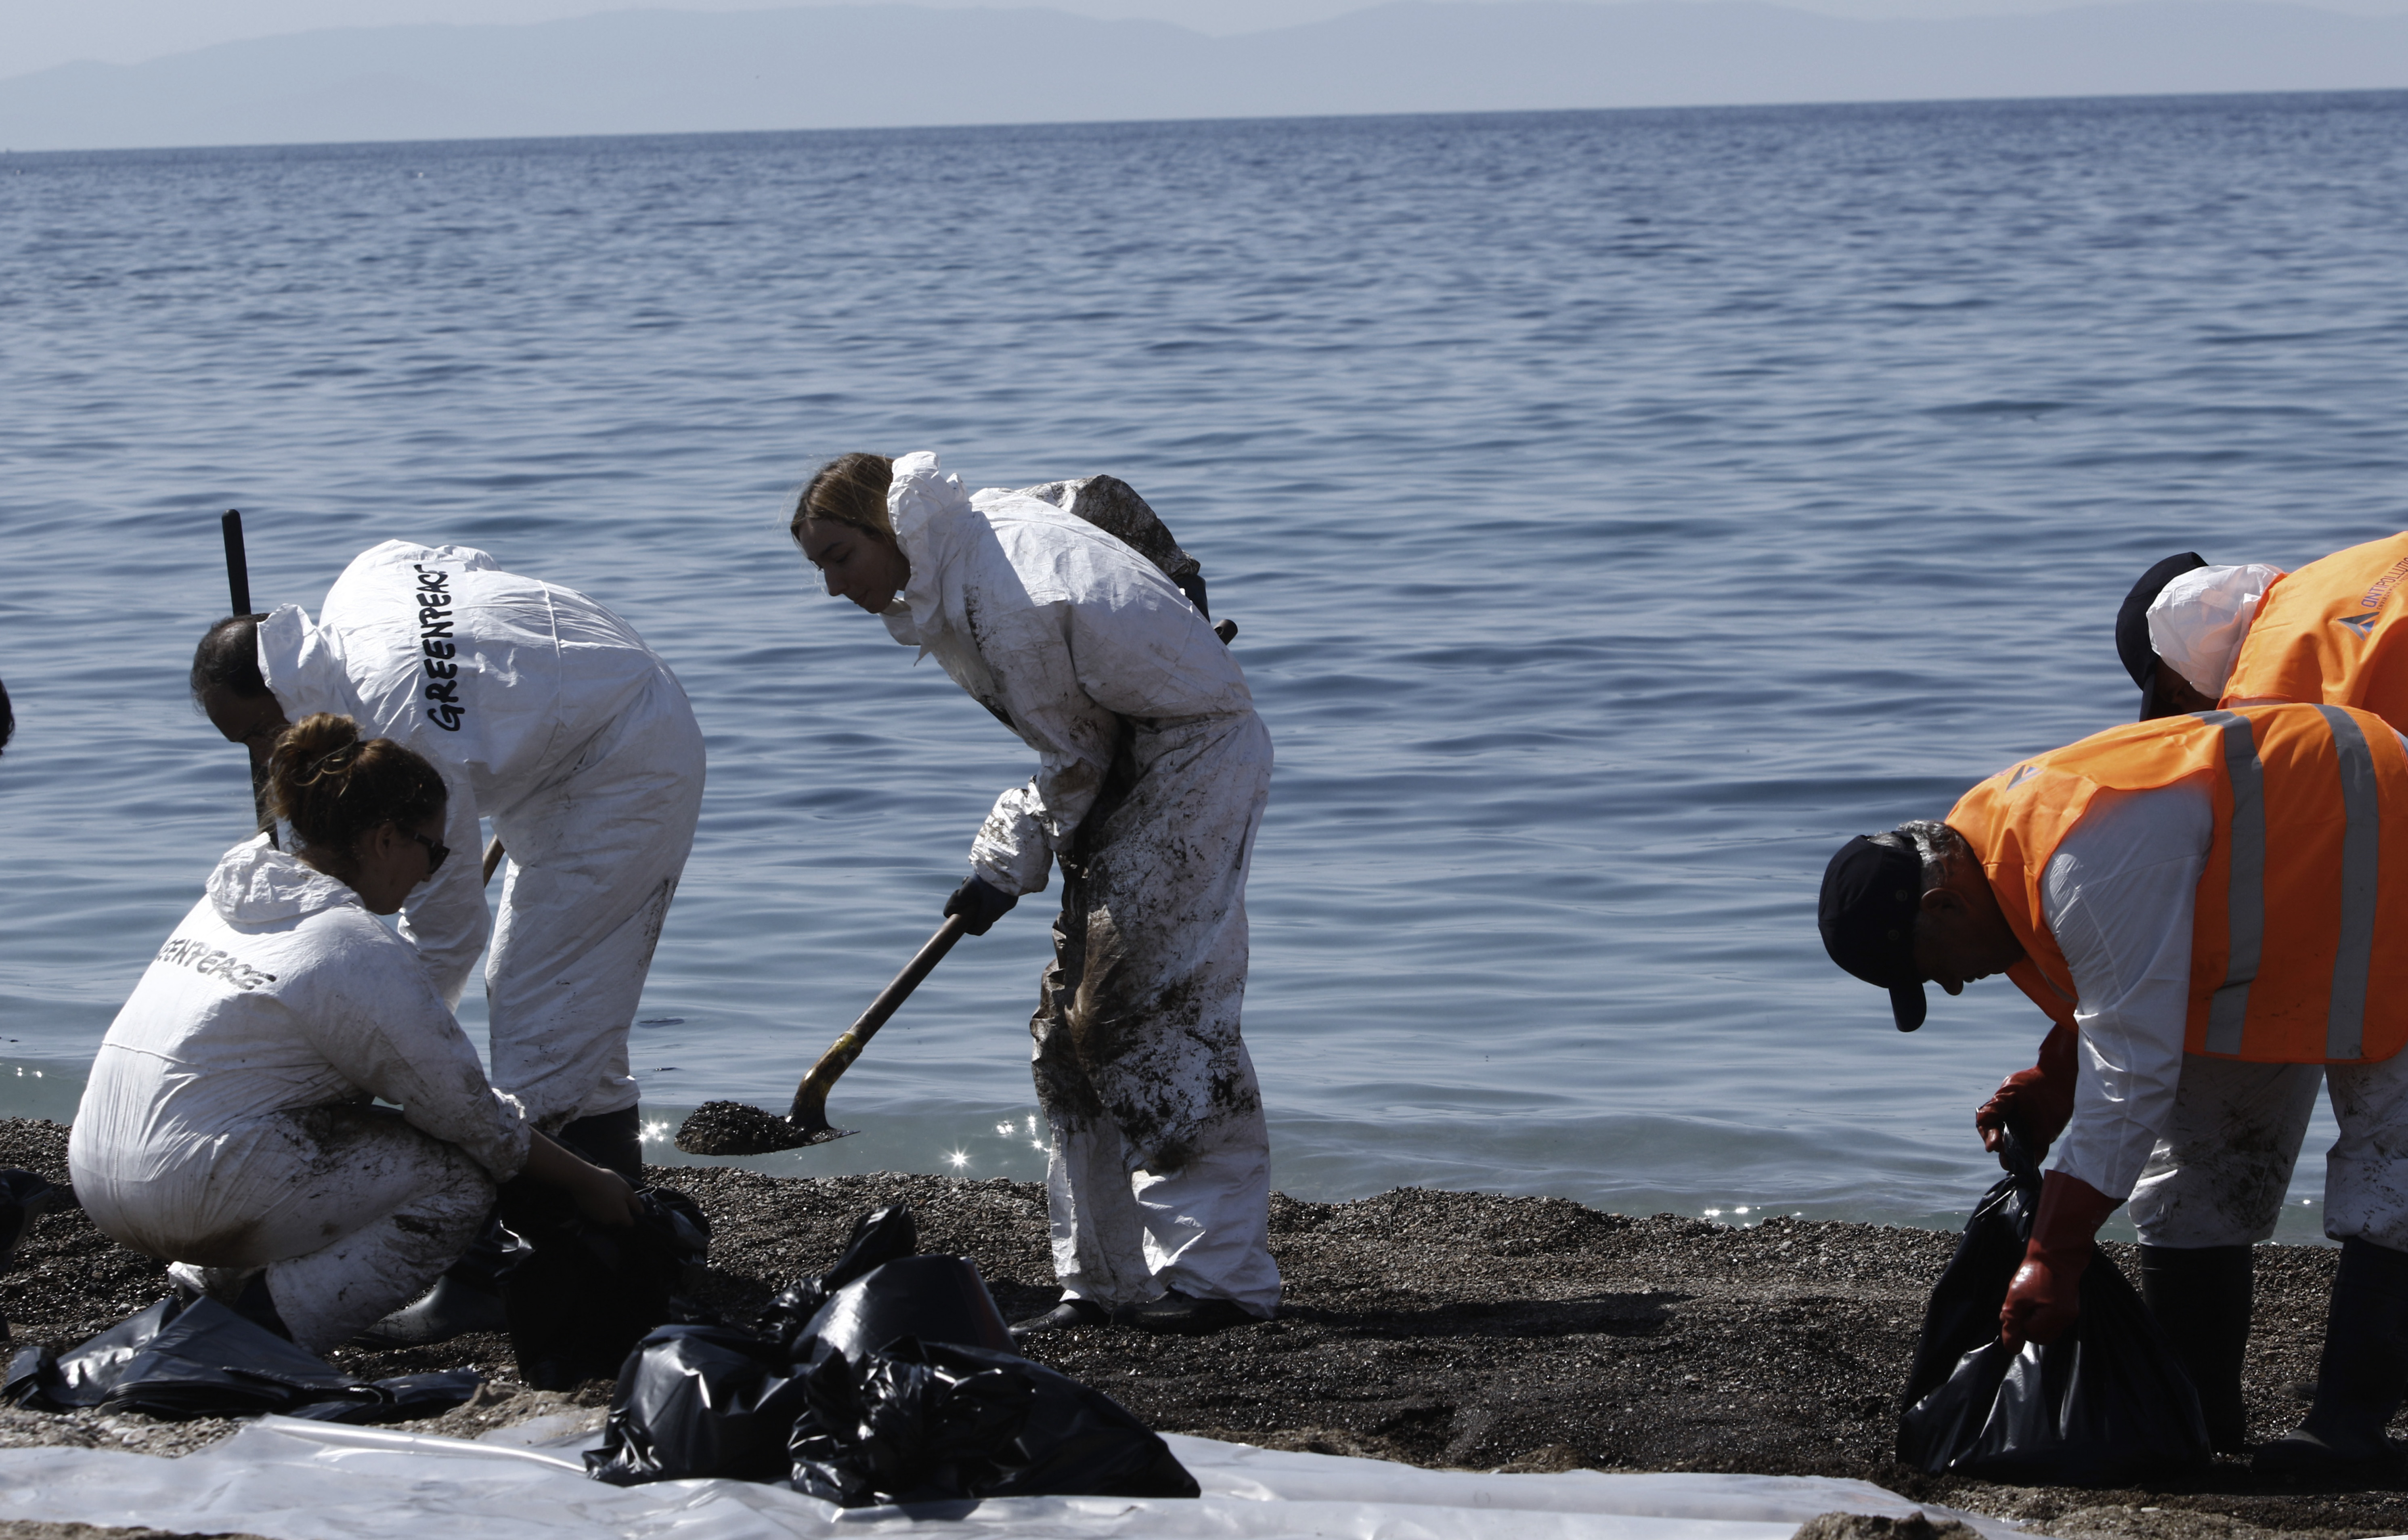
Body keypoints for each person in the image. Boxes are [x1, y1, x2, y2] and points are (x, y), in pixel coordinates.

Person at [1819, 701, 2408, 1470]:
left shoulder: (2083, 855)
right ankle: (2198, 1416)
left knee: (2391, 1164)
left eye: (1936, 967)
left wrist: (2055, 1253)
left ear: (1945, 904)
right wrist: (2055, 1075)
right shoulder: (1990, 840)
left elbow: (2132, 1067)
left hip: (2388, 854)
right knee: (2195, 1171)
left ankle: (2348, 1433)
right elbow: (2128, 984)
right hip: (2281, 923)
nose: (1956, 987)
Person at [790, 450, 1278, 1337]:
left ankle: (1221, 1281)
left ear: (888, 530)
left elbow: (1076, 761)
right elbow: (1099, 500)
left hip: (1191, 756)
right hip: (1135, 746)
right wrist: (1178, 590)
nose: (832, 587)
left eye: (837, 556)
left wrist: (1002, 863)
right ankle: (1103, 1281)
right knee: (1066, 1038)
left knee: (1145, 1018)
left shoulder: (1000, 597)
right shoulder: (978, 533)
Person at [191, 539, 704, 1342]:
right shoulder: (356, 581)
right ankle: (620, 1236)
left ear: (283, 691)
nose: (264, 760)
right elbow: (452, 560)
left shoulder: (402, 727)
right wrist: (505, 706)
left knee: (539, 1003)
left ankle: (485, 1274)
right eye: (244, 746)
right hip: (578, 694)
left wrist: (370, 1055)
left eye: (262, 732)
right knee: (573, 1011)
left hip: (622, 755)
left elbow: (447, 929)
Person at [67, 714, 641, 1355]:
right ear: (386, 839)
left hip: (99, 1172)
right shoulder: (351, 946)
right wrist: (590, 1180)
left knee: (317, 1124)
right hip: (188, 1192)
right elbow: (471, 1116)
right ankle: (263, 1336)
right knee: (456, 1183)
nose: (431, 873)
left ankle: (199, 1299)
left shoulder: (233, 897)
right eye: (435, 849)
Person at [2117, 533, 2408, 724]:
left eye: (2181, 693)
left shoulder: (2257, 701)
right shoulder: (2329, 573)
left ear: (2194, 653)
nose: (2190, 713)